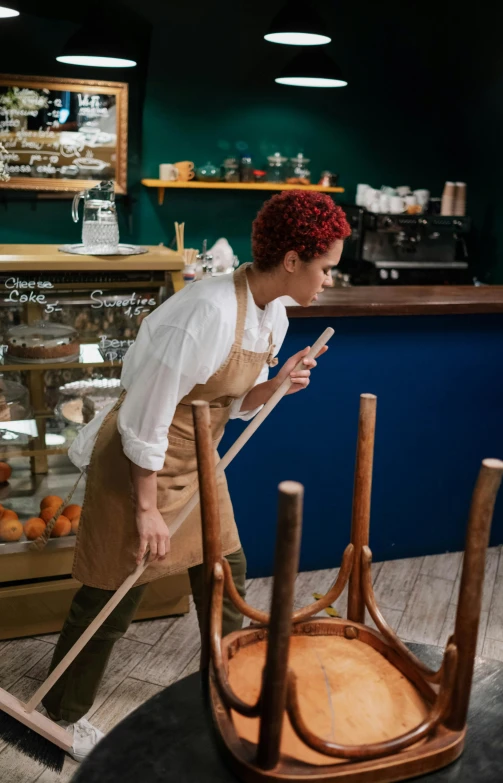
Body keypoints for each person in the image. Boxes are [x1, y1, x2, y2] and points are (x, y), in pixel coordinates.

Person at [41, 190, 351, 761]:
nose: (330, 279)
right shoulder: (204, 312)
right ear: (291, 260)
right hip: (138, 461)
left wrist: (275, 383)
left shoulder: (274, 313)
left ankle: (228, 694)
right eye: (326, 267)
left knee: (225, 574)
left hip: (199, 456)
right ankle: (58, 713)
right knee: (112, 594)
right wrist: (146, 508)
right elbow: (145, 417)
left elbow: (229, 403)